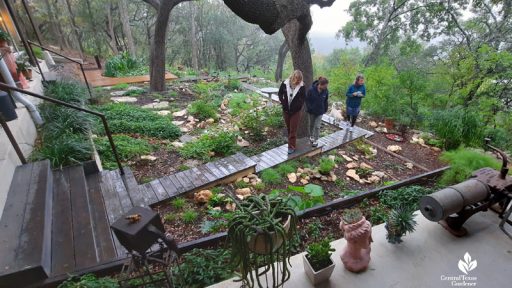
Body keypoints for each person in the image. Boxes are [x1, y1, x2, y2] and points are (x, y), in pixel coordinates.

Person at [278, 70, 306, 154]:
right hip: (286, 110)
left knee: (293, 129)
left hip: (296, 111)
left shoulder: (302, 86)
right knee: (289, 128)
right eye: (297, 79)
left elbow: (303, 98)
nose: (298, 81)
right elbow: (280, 94)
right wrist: (283, 102)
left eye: (299, 79)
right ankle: (291, 143)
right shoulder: (285, 83)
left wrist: (299, 106)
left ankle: (291, 146)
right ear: (293, 76)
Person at [305, 76, 329, 147]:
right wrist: (309, 108)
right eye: (325, 86)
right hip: (312, 111)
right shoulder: (311, 90)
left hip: (320, 111)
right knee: (311, 125)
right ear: (320, 85)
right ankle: (311, 136)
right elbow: (307, 100)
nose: (326, 87)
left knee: (317, 126)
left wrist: (325, 109)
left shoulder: (326, 91)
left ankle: (316, 140)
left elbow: (326, 101)